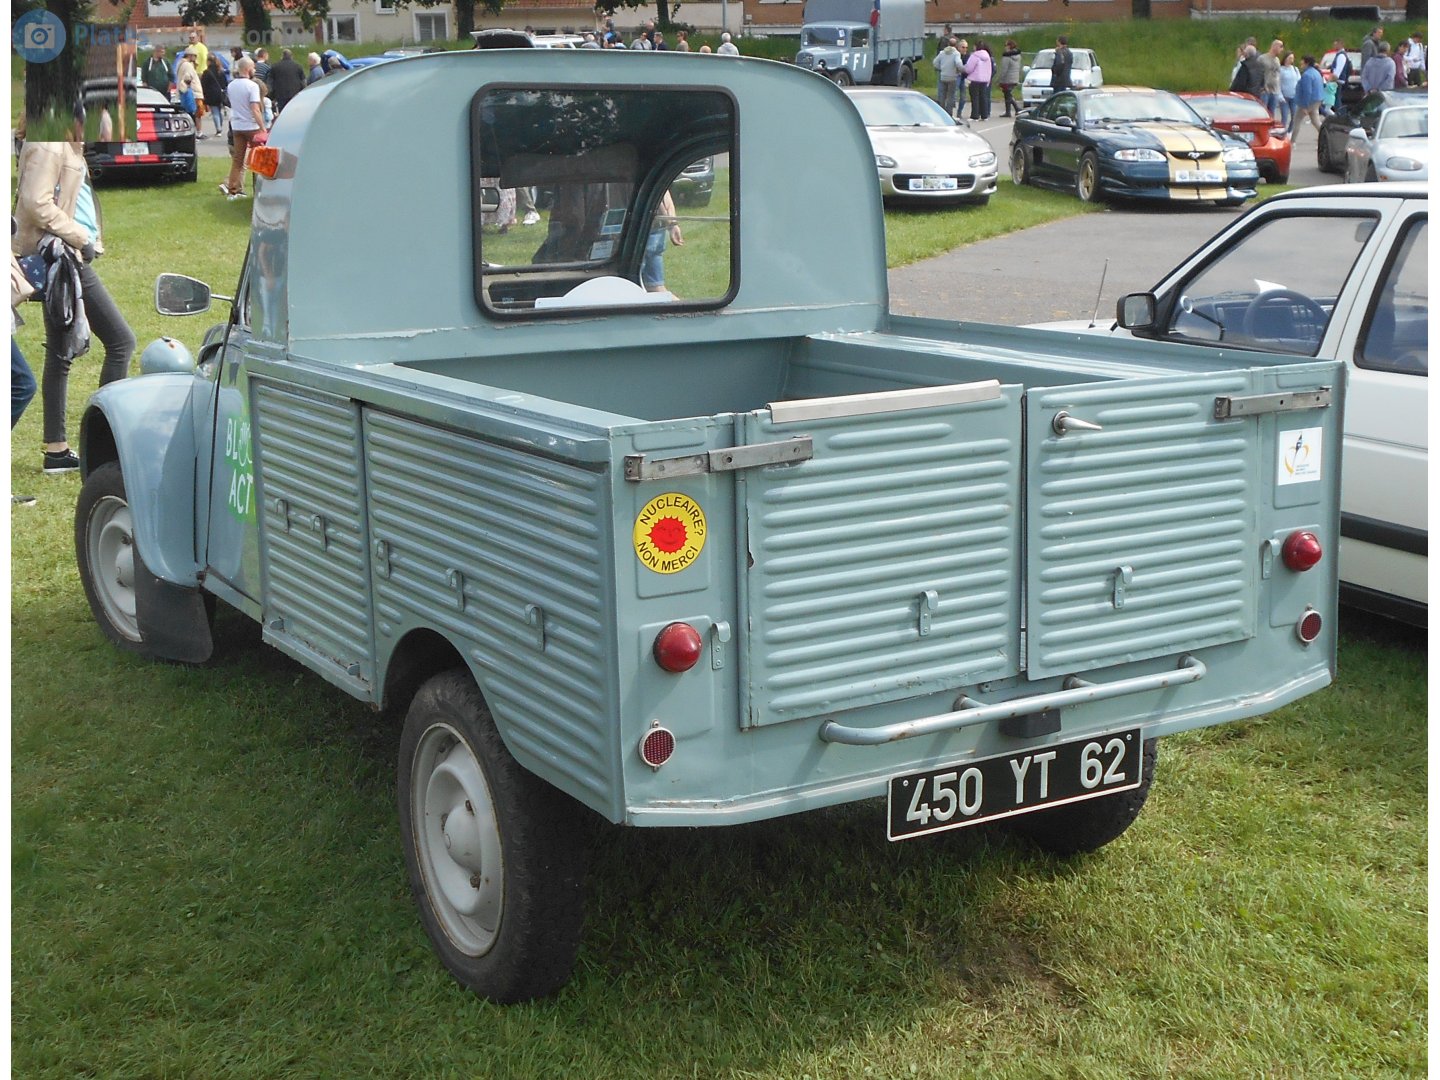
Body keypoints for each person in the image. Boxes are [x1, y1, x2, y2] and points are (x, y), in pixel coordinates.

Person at [14, 130, 135, 474]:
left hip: (64, 255)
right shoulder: (49, 143)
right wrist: (80, 236)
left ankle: (57, 452)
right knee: (121, 341)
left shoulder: (65, 142)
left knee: (60, 350)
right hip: (62, 257)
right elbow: (36, 202)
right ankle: (109, 444)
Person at [221, 57, 265, 200]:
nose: (254, 70)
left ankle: (233, 190)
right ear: (248, 69)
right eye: (253, 67)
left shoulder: (231, 85)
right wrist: (262, 127)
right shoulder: (252, 86)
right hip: (251, 125)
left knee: (238, 160)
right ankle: (259, 189)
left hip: (237, 125)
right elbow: (255, 109)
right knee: (259, 158)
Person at [641, 191, 682, 293]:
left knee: (632, 287)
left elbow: (655, 195)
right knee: (656, 287)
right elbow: (664, 190)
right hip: (657, 229)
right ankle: (689, 309)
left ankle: (690, 309)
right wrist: (672, 222)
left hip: (641, 230)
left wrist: (671, 223)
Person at [1292, 54, 1325, 139]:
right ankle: (1325, 137)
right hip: (1317, 100)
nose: (1301, 63)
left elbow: (1307, 91)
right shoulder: (1316, 72)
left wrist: (1304, 106)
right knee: (1316, 121)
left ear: (1307, 63)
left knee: (1297, 121)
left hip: (1308, 102)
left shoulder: (1307, 75)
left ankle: (1292, 141)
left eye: (1302, 62)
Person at [268, 48, 306, 114]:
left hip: (280, 95)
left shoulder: (275, 67)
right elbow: (303, 82)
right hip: (295, 95)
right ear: (292, 56)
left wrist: (272, 96)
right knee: (294, 113)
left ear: (282, 56)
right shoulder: (298, 66)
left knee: (282, 113)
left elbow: (270, 82)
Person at [932, 37, 962, 118]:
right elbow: (958, 63)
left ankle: (942, 112)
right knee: (951, 96)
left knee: (942, 95)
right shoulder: (956, 53)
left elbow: (935, 62)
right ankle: (949, 113)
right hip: (952, 77)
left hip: (943, 76)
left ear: (948, 44)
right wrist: (960, 69)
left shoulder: (942, 53)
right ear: (955, 45)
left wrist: (940, 68)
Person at [964, 39, 994, 122]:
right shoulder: (987, 56)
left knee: (975, 98)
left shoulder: (974, 56)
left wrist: (965, 70)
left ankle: (975, 116)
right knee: (983, 97)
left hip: (975, 79)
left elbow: (969, 68)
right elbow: (989, 69)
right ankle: (984, 115)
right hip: (984, 79)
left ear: (976, 47)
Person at [175, 48, 201, 135]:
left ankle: (190, 132)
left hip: (183, 92)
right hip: (190, 92)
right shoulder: (188, 65)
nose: (195, 58)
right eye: (195, 56)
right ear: (190, 55)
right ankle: (195, 133)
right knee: (194, 113)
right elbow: (187, 78)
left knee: (187, 113)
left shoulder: (180, 63)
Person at [200, 55, 226, 137]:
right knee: (219, 110)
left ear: (209, 62)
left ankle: (218, 129)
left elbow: (203, 84)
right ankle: (220, 127)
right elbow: (225, 83)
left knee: (214, 111)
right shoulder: (220, 71)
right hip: (220, 93)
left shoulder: (207, 72)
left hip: (211, 94)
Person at [997, 40, 1022, 118]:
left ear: (1009, 46)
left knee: (1008, 94)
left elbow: (1004, 70)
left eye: (1005, 45)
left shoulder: (1006, 57)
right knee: (1008, 94)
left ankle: (1017, 108)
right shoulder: (1018, 56)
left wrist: (999, 80)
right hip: (1014, 77)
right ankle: (1009, 111)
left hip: (1007, 79)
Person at [1261, 39, 1284, 121]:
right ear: (1274, 46)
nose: (1282, 49)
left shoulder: (1277, 60)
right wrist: (1261, 86)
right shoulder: (1262, 58)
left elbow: (1278, 75)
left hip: (1274, 91)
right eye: (1281, 47)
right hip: (1265, 90)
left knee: (1272, 114)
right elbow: (1257, 73)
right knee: (1263, 113)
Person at [1279, 51, 1300, 132]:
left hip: (1294, 96)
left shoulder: (1295, 69)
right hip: (1284, 97)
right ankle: (1282, 132)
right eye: (1290, 58)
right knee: (1284, 117)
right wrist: (1280, 96)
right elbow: (1278, 83)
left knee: (1294, 116)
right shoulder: (1281, 70)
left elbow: (1299, 81)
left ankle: (1289, 132)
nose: (1291, 60)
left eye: (1292, 58)